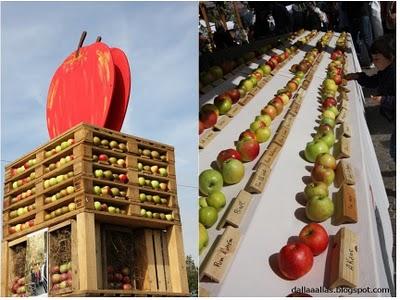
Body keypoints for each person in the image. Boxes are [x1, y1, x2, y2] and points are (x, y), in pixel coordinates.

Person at [345, 36, 396, 161]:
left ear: (391, 57)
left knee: (395, 149)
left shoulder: (395, 74)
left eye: (377, 59)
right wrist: (359, 77)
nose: (374, 62)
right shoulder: (385, 70)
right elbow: (374, 81)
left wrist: (384, 100)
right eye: (373, 59)